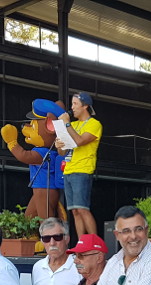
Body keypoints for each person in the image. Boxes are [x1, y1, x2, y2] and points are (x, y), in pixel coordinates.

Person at [55, 92, 101, 237]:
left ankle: (94, 243)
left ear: (85, 106)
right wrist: (58, 144)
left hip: (83, 170)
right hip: (68, 169)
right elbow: (62, 153)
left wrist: (67, 124)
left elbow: (80, 141)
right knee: (74, 211)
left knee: (82, 209)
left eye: (75, 104)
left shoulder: (94, 124)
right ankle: (82, 242)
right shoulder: (73, 125)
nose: (72, 107)